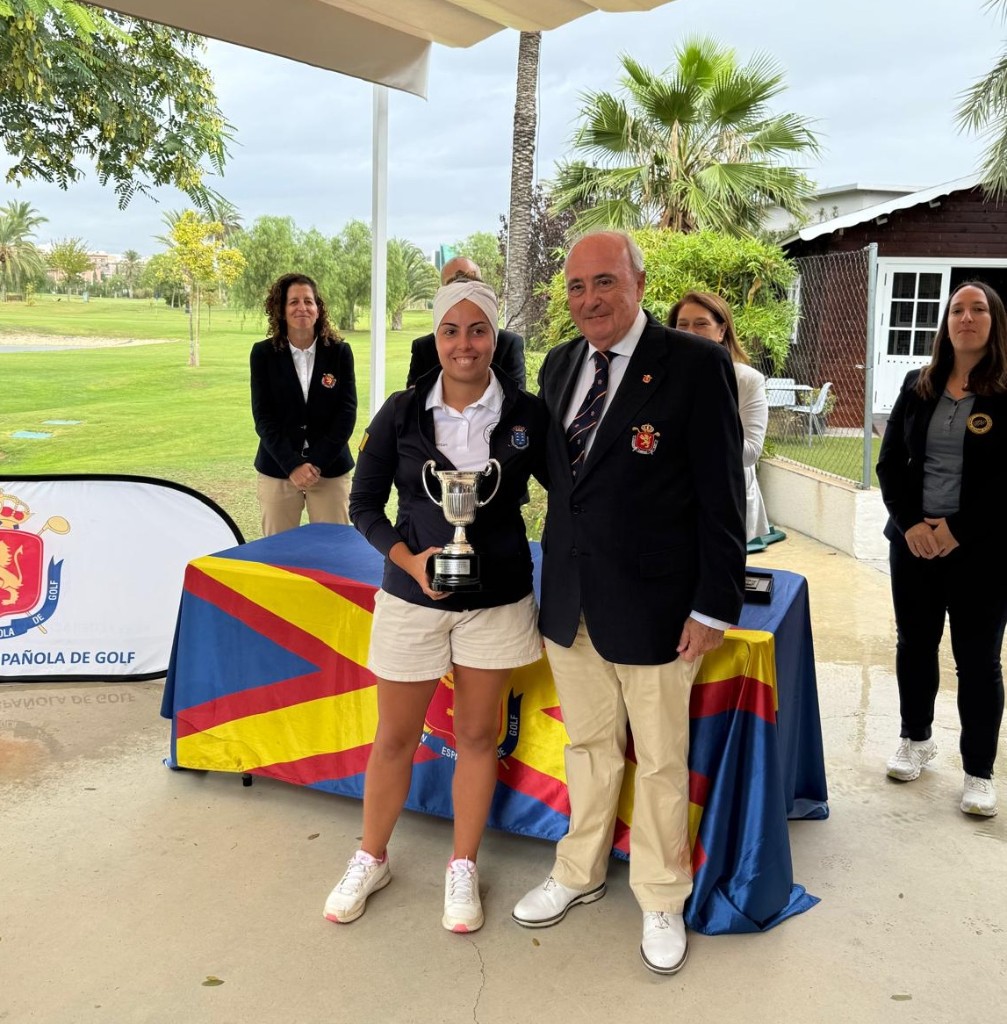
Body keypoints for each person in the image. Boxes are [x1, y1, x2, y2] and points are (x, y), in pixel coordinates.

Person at [512, 231, 746, 975]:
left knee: (659, 762)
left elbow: (721, 494)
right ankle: (577, 872)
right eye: (576, 287)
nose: (588, 301)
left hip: (657, 607)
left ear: (638, 285)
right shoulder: (557, 365)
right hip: (571, 600)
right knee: (586, 748)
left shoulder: (694, 364)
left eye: (603, 282)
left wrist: (713, 605)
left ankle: (659, 894)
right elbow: (563, 483)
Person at [323, 278, 547, 933]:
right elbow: (362, 506)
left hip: (498, 601)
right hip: (410, 601)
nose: (465, 344)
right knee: (393, 738)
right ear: (435, 338)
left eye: (478, 330)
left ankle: (462, 866)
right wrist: (408, 560)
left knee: (477, 738)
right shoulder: (399, 412)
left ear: (495, 338)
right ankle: (371, 856)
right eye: (451, 331)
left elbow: (573, 491)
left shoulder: (526, 414)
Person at [877, 280, 1007, 817]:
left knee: (978, 661)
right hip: (913, 546)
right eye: (957, 309)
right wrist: (911, 525)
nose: (967, 317)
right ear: (945, 323)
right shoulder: (919, 385)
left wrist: (955, 530)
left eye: (978, 309)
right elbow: (890, 465)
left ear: (995, 322)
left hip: (983, 551)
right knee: (915, 645)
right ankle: (916, 738)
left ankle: (978, 770)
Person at [250, 273, 357, 536]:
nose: (302, 308)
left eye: (308, 301)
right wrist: (293, 465)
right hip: (278, 470)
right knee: (279, 557)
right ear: (281, 310)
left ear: (318, 309)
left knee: (334, 554)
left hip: (330, 471)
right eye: (294, 302)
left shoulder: (340, 353)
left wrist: (316, 463)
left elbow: (346, 414)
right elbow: (263, 417)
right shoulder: (263, 354)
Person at [669, 291, 770, 542]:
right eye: (682, 325)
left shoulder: (746, 381)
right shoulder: (658, 379)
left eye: (701, 324)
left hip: (723, 501)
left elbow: (750, 453)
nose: (690, 332)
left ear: (722, 331)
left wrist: (704, 426)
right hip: (669, 502)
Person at [407, 257, 527, 389]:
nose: (464, 345)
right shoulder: (423, 348)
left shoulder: (509, 344)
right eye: (454, 284)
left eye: (478, 331)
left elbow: (517, 396)